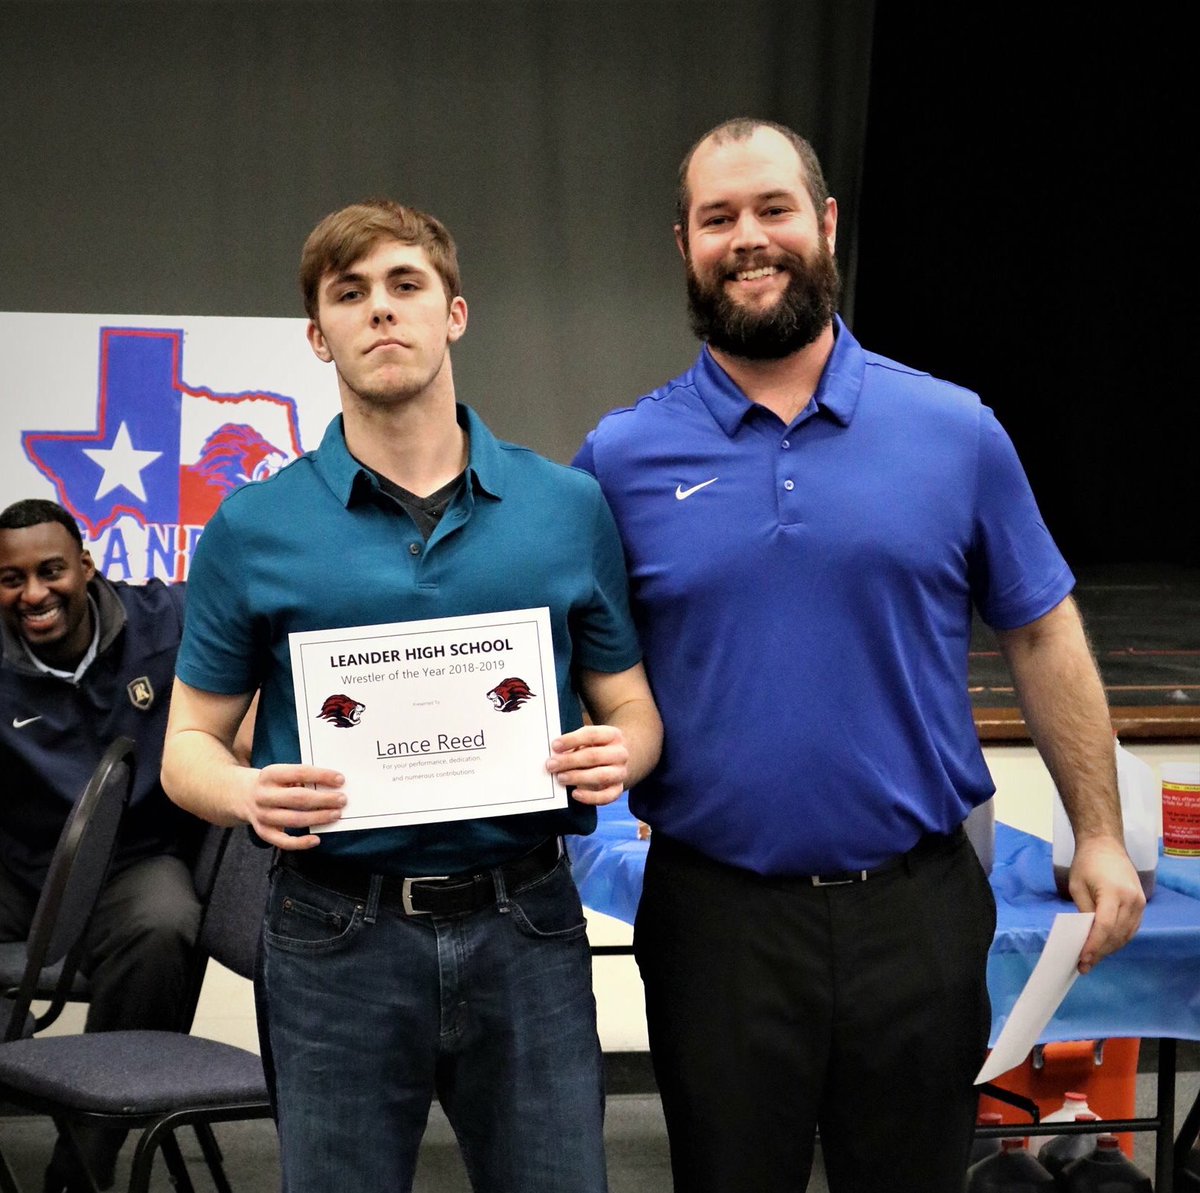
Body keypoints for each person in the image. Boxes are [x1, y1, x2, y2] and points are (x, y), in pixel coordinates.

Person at [572, 118, 1146, 1193]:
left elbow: (1042, 629)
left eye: (774, 209)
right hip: (717, 921)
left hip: (916, 914)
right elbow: (571, 658)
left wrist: (1102, 833)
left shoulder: (956, 430)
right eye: (719, 218)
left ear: (826, 224)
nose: (749, 237)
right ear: (685, 244)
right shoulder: (619, 457)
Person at [160, 198, 662, 1193]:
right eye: (351, 294)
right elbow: (187, 745)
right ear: (318, 334)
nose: (380, 312)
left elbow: (634, 709)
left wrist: (621, 754)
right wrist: (244, 794)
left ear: (455, 313)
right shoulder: (255, 525)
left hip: (527, 920)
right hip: (332, 931)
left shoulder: (565, 507)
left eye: (405, 286)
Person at [0, 498, 202, 1192]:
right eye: (10, 579)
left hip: (132, 862)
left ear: (86, 566)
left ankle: (84, 1162)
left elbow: (262, 623)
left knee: (166, 921)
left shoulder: (166, 623)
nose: (33, 594)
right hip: (22, 866)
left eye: (51, 570)